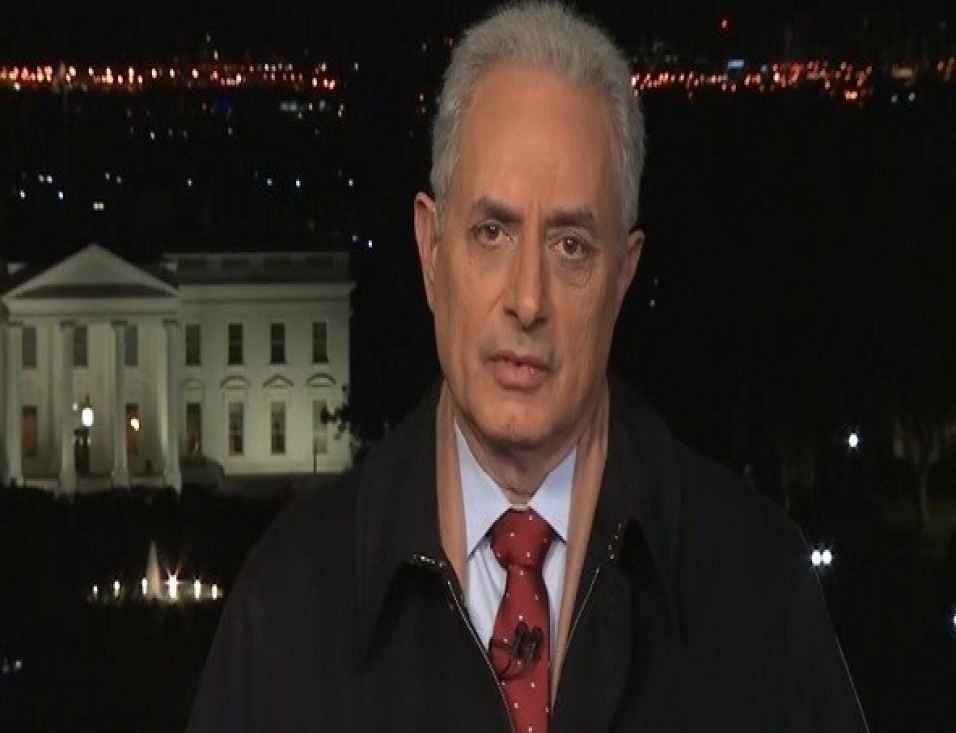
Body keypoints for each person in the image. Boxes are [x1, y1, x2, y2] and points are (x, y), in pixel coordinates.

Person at [186, 2, 869, 731]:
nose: (528, 299)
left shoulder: (757, 588)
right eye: (492, 232)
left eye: (571, 245)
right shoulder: (285, 607)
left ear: (623, 274)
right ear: (431, 249)